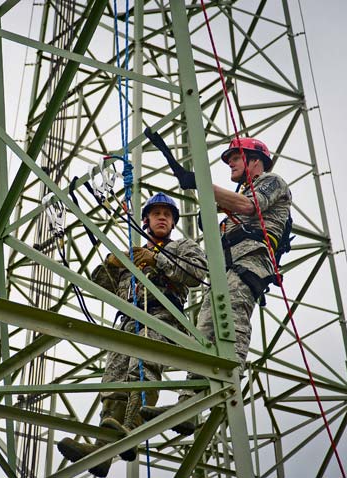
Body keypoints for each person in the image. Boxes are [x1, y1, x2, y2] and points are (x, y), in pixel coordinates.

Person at [140, 134, 292, 422]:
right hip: (227, 269)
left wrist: (200, 183)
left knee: (231, 319)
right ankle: (187, 406)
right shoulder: (240, 194)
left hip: (249, 265)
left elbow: (250, 207)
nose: (231, 164)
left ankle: (229, 375)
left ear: (255, 161)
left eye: (235, 158)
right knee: (206, 332)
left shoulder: (272, 182)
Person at [57, 192, 207, 477]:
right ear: (147, 220)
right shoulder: (135, 255)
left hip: (160, 318)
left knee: (142, 372)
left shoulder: (182, 247)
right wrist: (111, 263)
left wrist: (156, 260)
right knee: (113, 383)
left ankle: (132, 430)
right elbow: (101, 286)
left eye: (167, 214)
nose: (162, 217)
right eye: (156, 213)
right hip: (126, 322)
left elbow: (195, 274)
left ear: (173, 222)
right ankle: (102, 450)